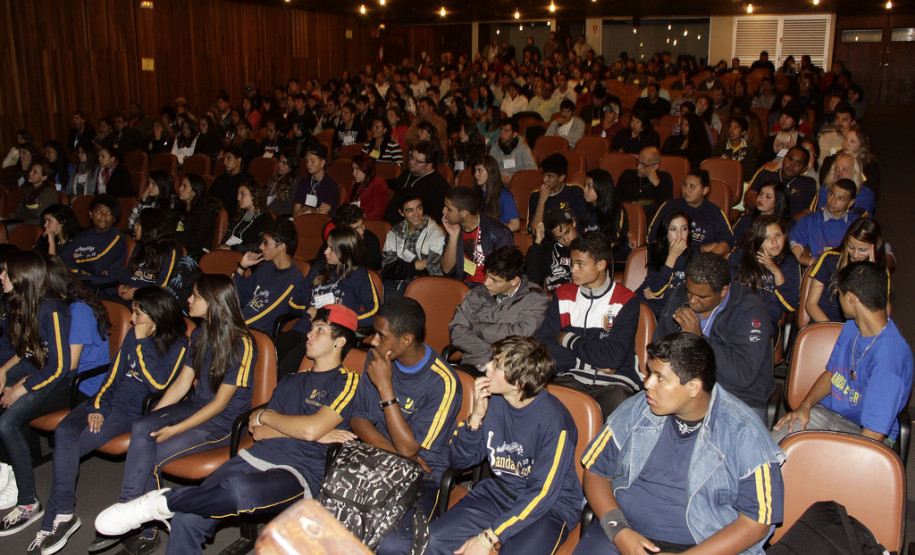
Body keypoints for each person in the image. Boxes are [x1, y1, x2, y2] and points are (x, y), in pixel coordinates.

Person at [94, 305, 362, 555]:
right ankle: (168, 506)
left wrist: (286, 423)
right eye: (312, 328)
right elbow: (257, 430)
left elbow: (309, 429)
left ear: (339, 342)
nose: (309, 335)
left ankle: (161, 502)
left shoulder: (347, 381)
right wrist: (285, 423)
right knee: (189, 518)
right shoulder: (292, 379)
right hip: (254, 457)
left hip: (297, 470)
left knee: (239, 492)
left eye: (320, 330)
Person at [575, 332, 785, 555]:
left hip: (704, 545)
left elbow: (757, 522)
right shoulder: (637, 409)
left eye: (659, 377)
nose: (647, 384)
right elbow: (596, 473)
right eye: (649, 374)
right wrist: (619, 531)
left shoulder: (743, 431)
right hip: (625, 532)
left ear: (693, 387)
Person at [97, 274, 256, 553]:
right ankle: (131, 512)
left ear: (214, 302)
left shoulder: (242, 343)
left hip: (223, 421)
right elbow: (184, 381)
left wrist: (175, 429)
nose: (189, 300)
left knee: (153, 458)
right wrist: (156, 417)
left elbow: (220, 405)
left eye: (195, 295)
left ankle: (136, 521)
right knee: (142, 426)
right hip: (196, 405)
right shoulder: (199, 333)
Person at [26, 287, 187, 554]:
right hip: (107, 403)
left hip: (131, 412)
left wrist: (143, 342)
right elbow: (113, 376)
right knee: (64, 431)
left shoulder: (179, 344)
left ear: (154, 316)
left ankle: (53, 519)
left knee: (69, 451)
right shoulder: (132, 336)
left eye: (137, 313)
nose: (132, 319)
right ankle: (64, 512)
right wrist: (99, 405)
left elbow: (158, 383)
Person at [426, 336, 582, 554]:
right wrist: (476, 419)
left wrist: (491, 535)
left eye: (497, 366)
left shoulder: (555, 423)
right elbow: (459, 461)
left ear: (519, 383)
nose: (487, 367)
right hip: (499, 493)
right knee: (432, 541)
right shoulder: (494, 401)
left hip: (549, 507)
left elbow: (541, 493)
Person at [351, 298, 462, 555]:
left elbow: (410, 446)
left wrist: (385, 386)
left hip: (425, 477)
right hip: (381, 459)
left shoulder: (443, 381)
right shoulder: (376, 357)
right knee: (337, 517)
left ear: (406, 340)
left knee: (392, 544)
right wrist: (399, 456)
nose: (372, 342)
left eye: (380, 335)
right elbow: (358, 419)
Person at [775, 259, 913, 439]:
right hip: (828, 414)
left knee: (807, 463)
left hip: (864, 435)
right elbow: (833, 373)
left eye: (839, 294)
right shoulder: (852, 327)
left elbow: (872, 438)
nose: (838, 300)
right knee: (771, 450)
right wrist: (805, 406)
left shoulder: (889, 361)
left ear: (851, 299)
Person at [0, 252, 72, 535]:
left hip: (57, 383)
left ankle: (28, 504)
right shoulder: (21, 303)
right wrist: (4, 370)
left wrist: (19, 388)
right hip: (36, 370)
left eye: (5, 272)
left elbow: (60, 367)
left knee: (7, 422)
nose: (1, 277)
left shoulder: (51, 308)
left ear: (22, 277)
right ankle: (7, 468)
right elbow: (27, 351)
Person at [654, 252, 774, 419]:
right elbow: (657, 349)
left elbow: (743, 375)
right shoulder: (681, 295)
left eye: (702, 296)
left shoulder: (750, 311)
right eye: (690, 292)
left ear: (724, 291)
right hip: (685, 390)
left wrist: (699, 337)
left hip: (739, 398)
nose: (693, 300)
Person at [536, 232, 641, 419]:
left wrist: (567, 338)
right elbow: (544, 344)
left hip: (615, 383)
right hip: (570, 376)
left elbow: (613, 359)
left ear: (601, 264)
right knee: (543, 408)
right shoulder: (563, 295)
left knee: (617, 414)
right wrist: (579, 361)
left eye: (580, 264)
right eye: (572, 263)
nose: (573, 270)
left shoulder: (625, 301)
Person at [275, 226, 380, 377]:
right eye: (327, 246)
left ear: (345, 251)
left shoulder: (359, 275)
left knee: (283, 370)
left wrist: (341, 320)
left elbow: (375, 312)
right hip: (302, 329)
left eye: (332, 248)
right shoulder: (318, 268)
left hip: (328, 336)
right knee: (265, 356)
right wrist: (308, 309)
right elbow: (293, 302)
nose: (325, 252)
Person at [450, 246, 550, 374]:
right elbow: (456, 330)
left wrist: (477, 327)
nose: (486, 283)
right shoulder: (477, 294)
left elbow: (522, 334)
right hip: (473, 363)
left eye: (494, 280)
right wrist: (490, 351)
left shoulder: (535, 298)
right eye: (486, 275)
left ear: (514, 281)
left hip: (510, 369)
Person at [806, 218, 891, 323]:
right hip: (824, 323)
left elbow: (885, 315)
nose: (855, 255)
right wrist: (832, 330)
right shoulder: (830, 259)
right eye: (851, 247)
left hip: (858, 330)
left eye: (863, 250)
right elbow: (811, 304)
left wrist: (872, 275)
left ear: (875, 247)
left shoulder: (880, 271)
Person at [233, 220, 307, 335]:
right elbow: (237, 297)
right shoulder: (267, 267)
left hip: (251, 335)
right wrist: (242, 268)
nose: (261, 247)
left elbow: (263, 317)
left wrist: (229, 326)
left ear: (282, 246)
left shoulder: (292, 282)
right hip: (238, 327)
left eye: (266, 243)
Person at [730, 215, 801, 327]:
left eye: (778, 235)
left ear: (785, 236)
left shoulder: (789, 262)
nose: (774, 241)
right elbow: (725, 287)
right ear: (757, 239)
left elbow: (791, 305)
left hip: (764, 321)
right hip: (736, 315)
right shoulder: (742, 254)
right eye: (767, 237)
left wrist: (776, 273)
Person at [648, 169, 734, 256]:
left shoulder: (715, 212)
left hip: (702, 262)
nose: (687, 190)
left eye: (692, 186)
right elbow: (653, 236)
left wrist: (705, 258)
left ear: (705, 190)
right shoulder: (669, 206)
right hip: (671, 256)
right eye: (685, 185)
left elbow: (728, 242)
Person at [441, 186, 513, 287]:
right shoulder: (455, 229)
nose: (443, 212)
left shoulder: (498, 233)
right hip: (463, 287)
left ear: (464, 213)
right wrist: (453, 236)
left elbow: (504, 275)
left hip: (489, 289)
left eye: (449, 209)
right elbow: (446, 269)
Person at [380, 189, 445, 299]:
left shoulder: (435, 235)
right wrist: (417, 265)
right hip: (392, 285)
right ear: (401, 212)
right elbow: (387, 268)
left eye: (419, 208)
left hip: (421, 287)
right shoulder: (394, 232)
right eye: (410, 210)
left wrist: (400, 268)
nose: (416, 214)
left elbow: (435, 273)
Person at [60, 195, 128, 288]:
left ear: (115, 218)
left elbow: (97, 266)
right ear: (91, 214)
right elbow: (63, 259)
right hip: (78, 280)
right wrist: (80, 271)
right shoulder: (83, 235)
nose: (103, 216)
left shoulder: (117, 239)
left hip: (100, 286)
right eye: (99, 211)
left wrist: (74, 264)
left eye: (109, 213)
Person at [637, 210, 693, 318]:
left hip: (673, 311)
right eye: (673, 229)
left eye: (684, 229)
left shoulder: (695, 253)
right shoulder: (654, 251)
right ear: (666, 232)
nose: (679, 234)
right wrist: (672, 256)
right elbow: (655, 289)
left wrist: (667, 295)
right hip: (648, 306)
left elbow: (693, 291)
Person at [789, 179, 858, 267]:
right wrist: (816, 264)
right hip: (814, 270)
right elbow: (793, 252)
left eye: (840, 198)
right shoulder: (810, 220)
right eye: (832, 194)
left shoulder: (856, 224)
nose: (833, 201)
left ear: (850, 203)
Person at [117, 209, 182, 303]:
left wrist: (135, 293)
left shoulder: (170, 251)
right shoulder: (139, 247)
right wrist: (122, 286)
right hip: (129, 296)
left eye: (138, 224)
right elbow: (127, 273)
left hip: (149, 301)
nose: (135, 227)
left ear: (149, 228)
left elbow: (162, 285)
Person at [383, 140, 450, 226]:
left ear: (430, 165)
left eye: (417, 161)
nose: (411, 162)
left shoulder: (438, 186)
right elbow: (396, 183)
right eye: (411, 157)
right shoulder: (407, 174)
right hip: (391, 225)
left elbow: (432, 219)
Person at [745, 146, 818, 219]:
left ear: (804, 168)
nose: (792, 165)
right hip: (758, 219)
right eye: (790, 159)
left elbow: (807, 213)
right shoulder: (765, 174)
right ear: (784, 158)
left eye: (798, 163)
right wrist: (766, 214)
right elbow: (749, 197)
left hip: (789, 227)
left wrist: (782, 224)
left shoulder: (808, 183)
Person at [527, 153, 586, 234]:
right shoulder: (535, 196)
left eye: (550, 176)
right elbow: (534, 231)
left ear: (561, 178)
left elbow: (579, 227)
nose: (544, 179)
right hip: (544, 243)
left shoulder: (574, 193)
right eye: (544, 175)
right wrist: (541, 201)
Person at [616, 146, 673, 223]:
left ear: (655, 166)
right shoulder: (627, 175)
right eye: (638, 162)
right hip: (626, 219)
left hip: (652, 221)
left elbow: (668, 206)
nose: (639, 167)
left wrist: (657, 183)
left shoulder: (664, 178)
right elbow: (616, 200)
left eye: (644, 165)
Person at [175, 174, 222, 261]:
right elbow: (179, 229)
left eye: (184, 186)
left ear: (194, 191)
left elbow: (196, 240)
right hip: (184, 247)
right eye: (181, 185)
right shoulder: (182, 207)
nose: (180, 188)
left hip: (198, 253)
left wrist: (176, 241)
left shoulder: (205, 211)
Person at [218, 180, 270, 253]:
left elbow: (259, 245)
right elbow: (227, 236)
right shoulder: (240, 215)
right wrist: (222, 246)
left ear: (253, 195)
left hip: (245, 258)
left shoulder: (265, 219)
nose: (238, 198)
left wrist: (232, 248)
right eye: (238, 194)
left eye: (242, 194)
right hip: (228, 253)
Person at [473, 155, 519, 232]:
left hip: (495, 238)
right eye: (475, 171)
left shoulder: (504, 196)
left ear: (490, 172)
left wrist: (495, 232)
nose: (475, 174)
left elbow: (515, 224)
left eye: (480, 170)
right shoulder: (473, 194)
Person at [293, 143, 339, 217]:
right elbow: (296, 213)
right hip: (302, 222)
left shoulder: (331, 185)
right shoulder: (303, 182)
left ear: (322, 162)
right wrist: (315, 210)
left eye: (312, 161)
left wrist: (307, 209)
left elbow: (321, 215)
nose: (308, 164)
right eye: (307, 161)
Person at [128, 171, 177, 237]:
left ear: (163, 185)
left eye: (153, 184)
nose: (149, 187)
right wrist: (141, 202)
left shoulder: (173, 202)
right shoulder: (149, 201)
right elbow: (131, 225)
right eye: (149, 183)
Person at [488, 118, 537, 183]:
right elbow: (490, 168)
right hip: (499, 182)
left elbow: (532, 170)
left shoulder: (523, 148)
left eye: (506, 131)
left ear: (514, 134)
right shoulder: (495, 147)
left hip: (518, 182)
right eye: (501, 130)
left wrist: (513, 178)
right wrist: (500, 177)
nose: (502, 133)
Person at [208, 146, 252, 218]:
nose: (224, 162)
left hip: (232, 217)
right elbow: (210, 197)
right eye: (224, 159)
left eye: (229, 158)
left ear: (238, 160)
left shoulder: (246, 180)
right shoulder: (220, 178)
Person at [348, 154, 388, 220]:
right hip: (354, 221)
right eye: (353, 169)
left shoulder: (379, 184)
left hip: (369, 223)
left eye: (357, 169)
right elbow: (346, 204)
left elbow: (379, 212)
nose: (353, 173)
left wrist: (361, 219)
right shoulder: (356, 185)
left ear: (366, 169)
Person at [264, 149, 302, 218]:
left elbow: (291, 206)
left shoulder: (296, 182)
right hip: (268, 213)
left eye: (284, 163)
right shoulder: (273, 178)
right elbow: (265, 197)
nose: (280, 165)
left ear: (292, 165)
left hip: (282, 216)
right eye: (279, 161)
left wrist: (273, 212)